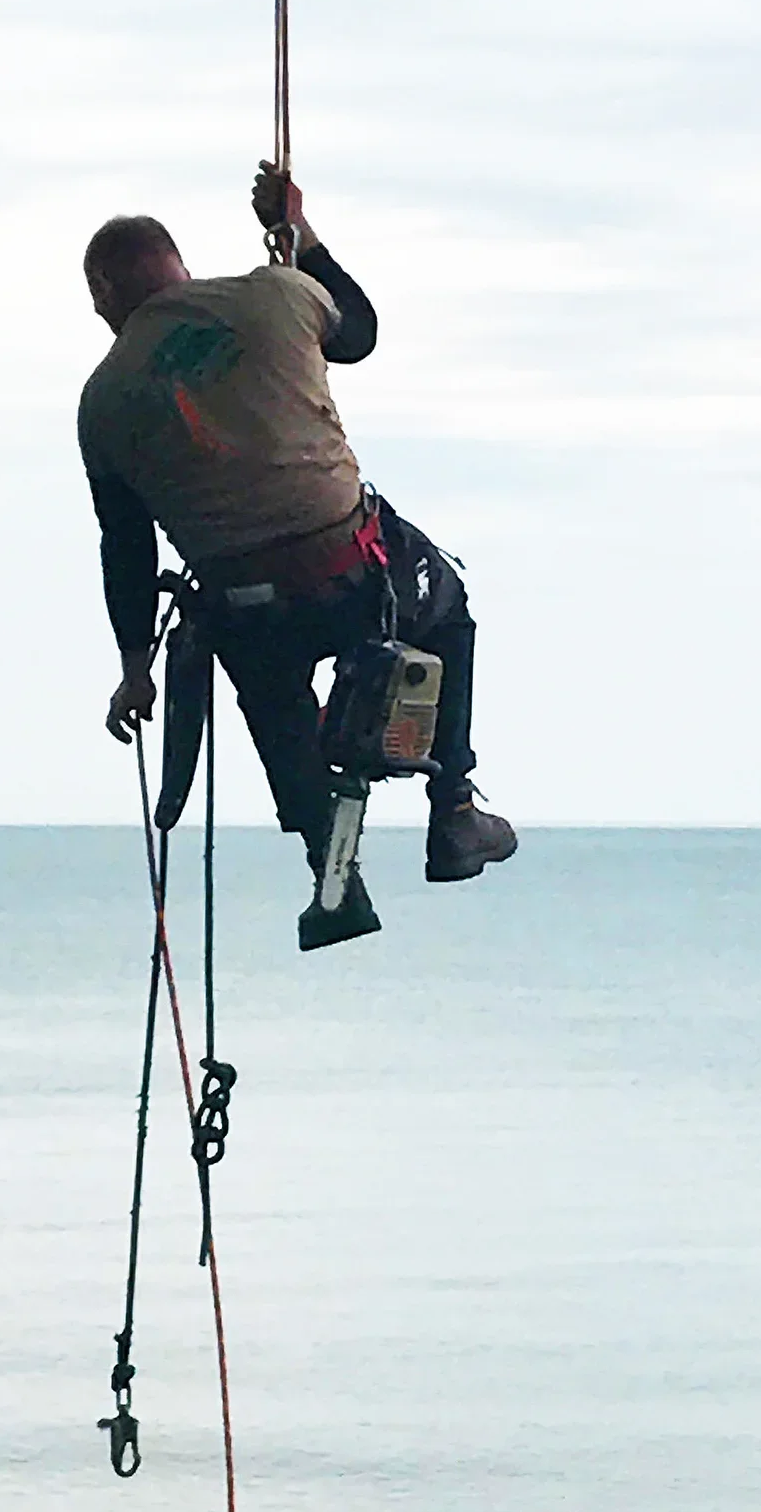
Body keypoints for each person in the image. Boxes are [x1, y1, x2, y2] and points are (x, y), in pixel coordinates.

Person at [77, 168, 517, 950]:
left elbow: (127, 546)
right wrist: (300, 234)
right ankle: (453, 810)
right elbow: (360, 332)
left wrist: (136, 669)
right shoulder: (275, 293)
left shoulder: (103, 398)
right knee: (446, 609)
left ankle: (331, 871)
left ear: (107, 290)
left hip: (248, 608)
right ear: (178, 266)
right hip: (352, 574)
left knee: (271, 694)